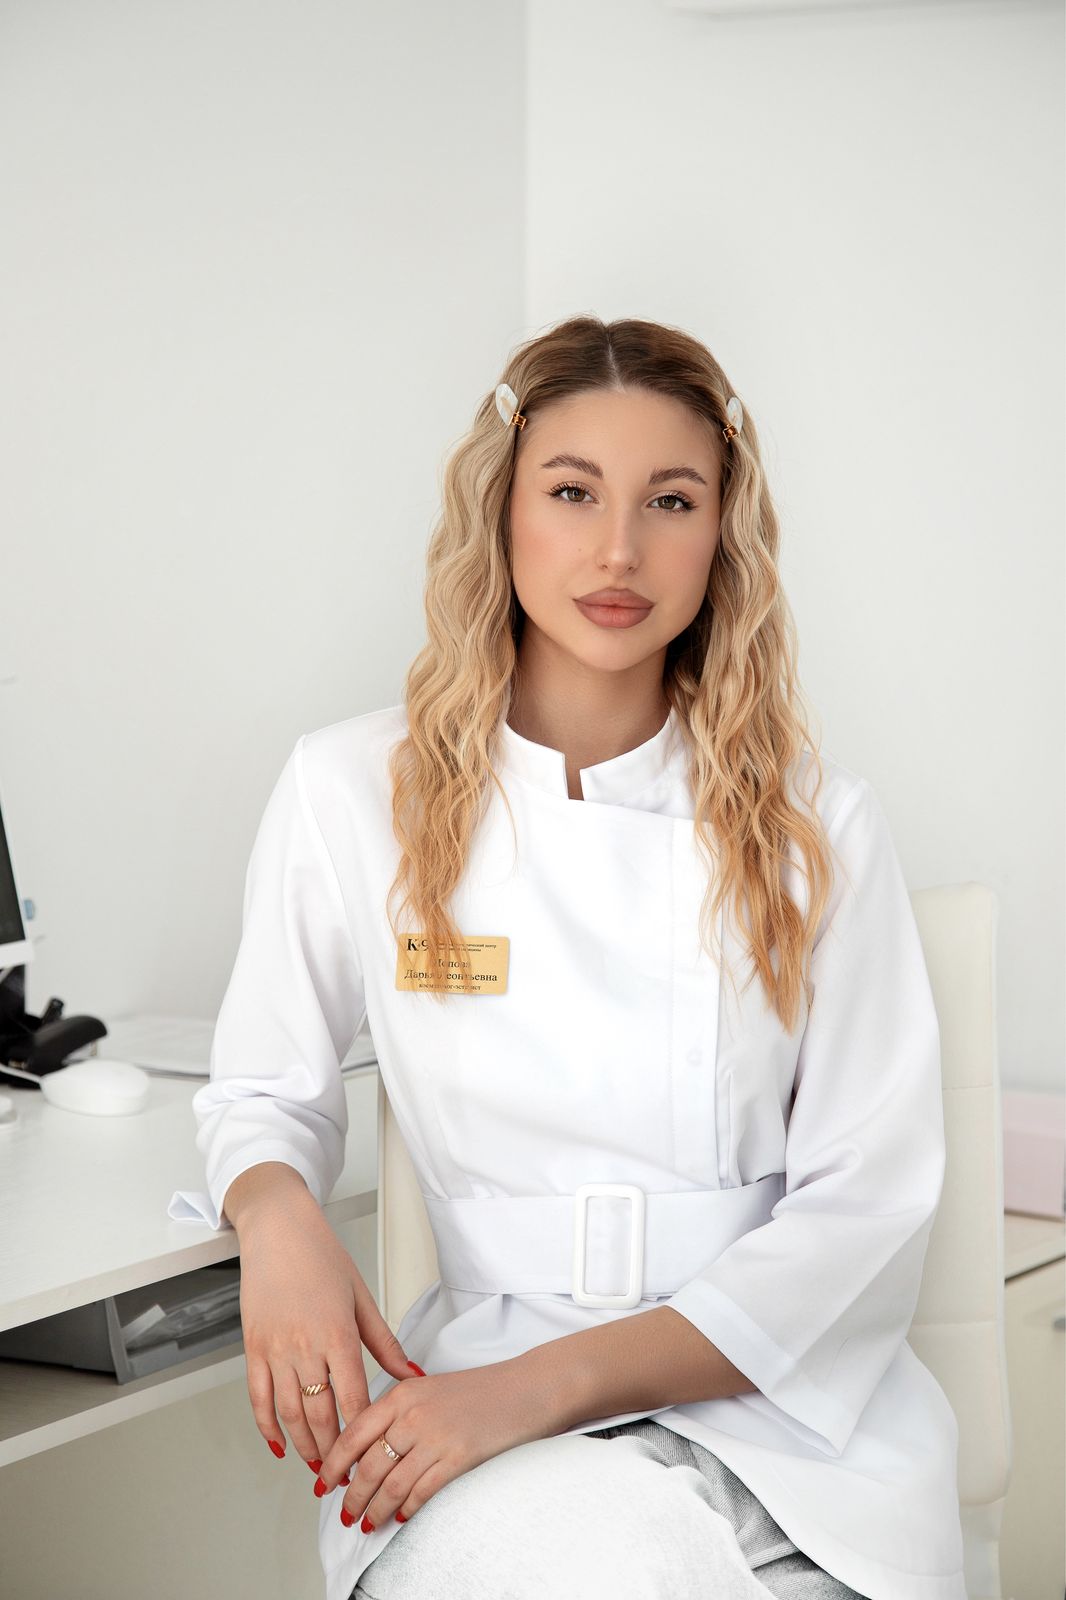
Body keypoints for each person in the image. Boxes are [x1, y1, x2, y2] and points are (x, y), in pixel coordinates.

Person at [168, 315, 967, 1600]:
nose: (618, 549)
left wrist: (537, 1391)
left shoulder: (817, 827)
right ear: (501, 507)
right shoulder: (349, 791)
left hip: (785, 1430)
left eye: (671, 500)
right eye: (573, 491)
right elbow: (262, 1092)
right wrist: (275, 1216)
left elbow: (862, 1213)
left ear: (722, 532)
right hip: (477, 1406)